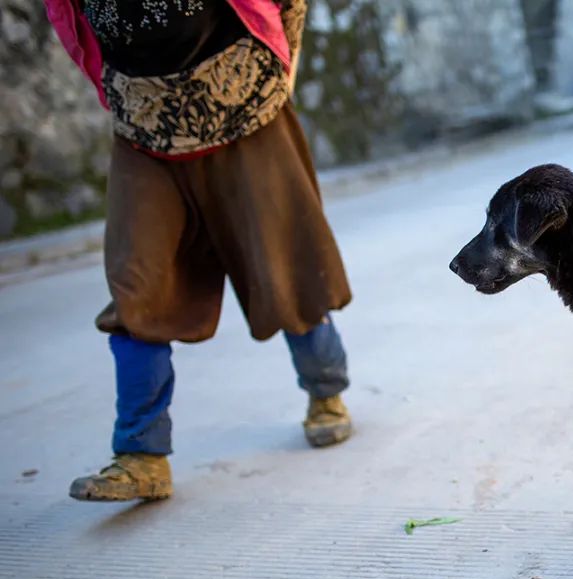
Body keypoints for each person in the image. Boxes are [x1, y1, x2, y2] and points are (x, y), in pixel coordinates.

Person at [45, 0, 354, 502]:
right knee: (136, 288)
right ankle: (140, 456)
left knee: (286, 270)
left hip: (246, 113)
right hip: (143, 129)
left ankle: (326, 392)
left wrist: (282, 67)